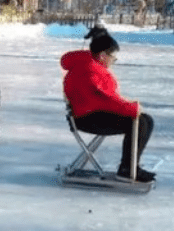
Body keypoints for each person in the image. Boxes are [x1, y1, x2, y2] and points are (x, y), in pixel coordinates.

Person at [61, 34, 155, 182]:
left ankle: (129, 167)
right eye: (113, 56)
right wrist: (131, 108)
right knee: (141, 122)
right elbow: (104, 100)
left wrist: (129, 106)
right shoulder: (89, 70)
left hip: (91, 114)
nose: (113, 60)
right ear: (103, 55)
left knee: (145, 120)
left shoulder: (89, 65)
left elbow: (105, 98)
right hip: (88, 118)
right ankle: (127, 169)